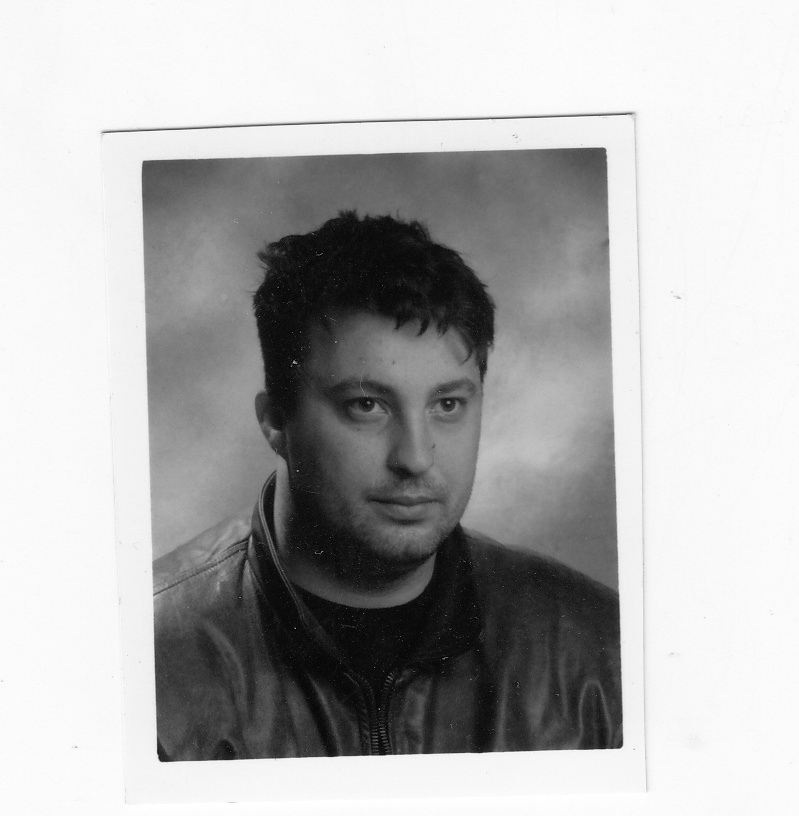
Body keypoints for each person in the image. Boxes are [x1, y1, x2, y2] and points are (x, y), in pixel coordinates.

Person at [153, 211, 622, 760]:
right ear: (277, 421)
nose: (415, 459)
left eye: (448, 405)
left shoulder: (600, 651)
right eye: (367, 405)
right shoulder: (141, 661)